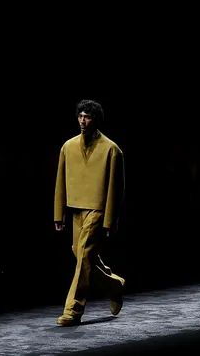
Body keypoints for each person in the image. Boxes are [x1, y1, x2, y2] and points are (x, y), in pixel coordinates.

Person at [53, 99, 126, 326]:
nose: (83, 120)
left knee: (84, 255)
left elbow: (116, 187)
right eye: (80, 116)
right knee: (81, 254)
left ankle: (73, 310)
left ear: (96, 120)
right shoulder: (68, 146)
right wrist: (58, 214)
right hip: (76, 208)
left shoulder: (111, 150)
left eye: (88, 117)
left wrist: (110, 219)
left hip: (97, 208)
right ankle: (113, 285)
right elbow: (60, 181)